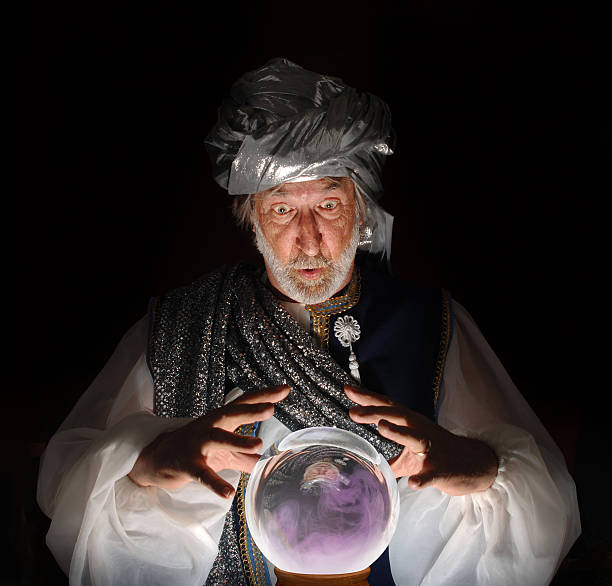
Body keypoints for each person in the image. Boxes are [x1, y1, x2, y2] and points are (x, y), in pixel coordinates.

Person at [37, 57, 580, 585]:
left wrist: (482, 466)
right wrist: (146, 462)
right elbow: (69, 492)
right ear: (251, 218)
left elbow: (539, 511)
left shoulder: (431, 323)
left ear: (360, 210)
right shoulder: (179, 323)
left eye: (328, 205)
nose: (309, 241)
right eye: (282, 210)